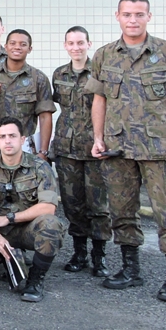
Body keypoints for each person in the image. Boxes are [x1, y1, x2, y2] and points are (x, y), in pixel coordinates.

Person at [89, 0, 166, 302]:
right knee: (122, 211)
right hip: (117, 148)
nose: (132, 20)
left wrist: (150, 125)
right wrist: (99, 136)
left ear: (149, 16)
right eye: (127, 14)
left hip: (159, 149)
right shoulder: (105, 55)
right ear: (117, 16)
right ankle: (130, 270)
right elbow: (100, 99)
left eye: (139, 14)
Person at [0, 117, 64, 303]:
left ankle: (35, 279)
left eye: (12, 136)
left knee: (51, 225)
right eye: (2, 137)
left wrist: (10, 218)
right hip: (3, 231)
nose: (8, 141)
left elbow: (48, 207)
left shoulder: (40, 167)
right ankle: (10, 259)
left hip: (30, 228)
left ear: (22, 139)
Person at [52, 26, 110, 277]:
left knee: (98, 205)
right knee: (73, 204)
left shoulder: (100, 72)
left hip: (95, 149)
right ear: (65, 46)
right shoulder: (59, 74)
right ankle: (79, 253)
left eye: (80, 43)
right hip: (67, 149)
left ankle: (99, 257)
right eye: (71, 43)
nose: (76, 47)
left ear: (89, 44)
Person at [0, 29, 55, 159]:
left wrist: (43, 151)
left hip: (21, 148)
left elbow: (45, 117)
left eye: (23, 44)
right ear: (5, 47)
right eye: (13, 43)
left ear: (30, 49)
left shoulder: (38, 78)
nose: (17, 47)